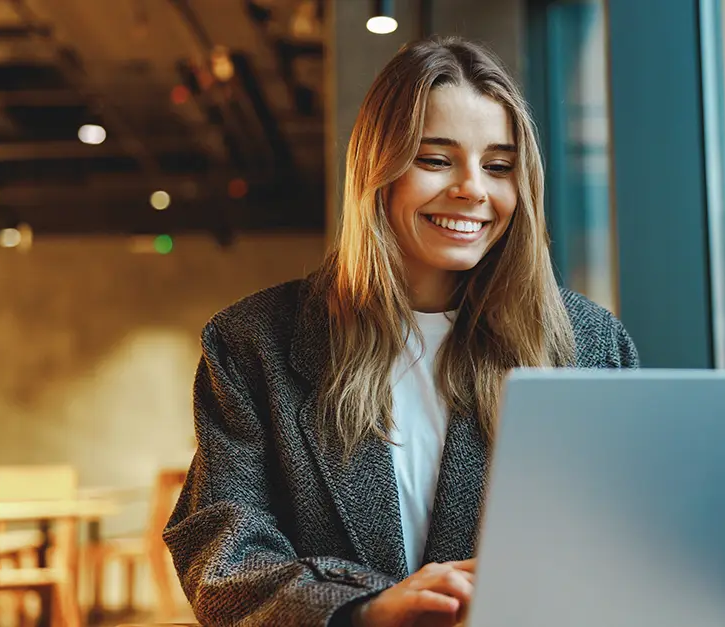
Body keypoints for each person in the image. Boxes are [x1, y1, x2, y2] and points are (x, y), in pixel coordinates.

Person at [164, 36, 639, 627]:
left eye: (498, 166)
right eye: (436, 159)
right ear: (377, 171)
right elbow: (222, 554)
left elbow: (627, 542)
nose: (473, 189)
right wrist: (364, 609)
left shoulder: (590, 346)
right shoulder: (252, 344)